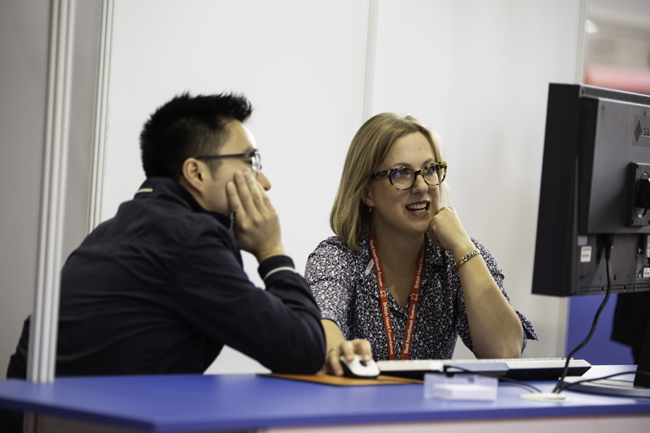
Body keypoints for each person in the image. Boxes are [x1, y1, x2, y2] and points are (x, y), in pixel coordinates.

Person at [2, 92, 326, 431]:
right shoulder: (189, 239)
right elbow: (303, 351)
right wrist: (272, 250)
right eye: (250, 162)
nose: (263, 182)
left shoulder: (108, 232)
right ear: (196, 172)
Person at [305, 113, 537, 376]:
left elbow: (505, 351)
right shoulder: (338, 257)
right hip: (358, 412)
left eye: (430, 169)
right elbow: (322, 322)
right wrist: (337, 351)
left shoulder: (460, 256)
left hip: (431, 415)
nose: (421, 186)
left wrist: (462, 245)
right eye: (401, 173)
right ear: (367, 193)